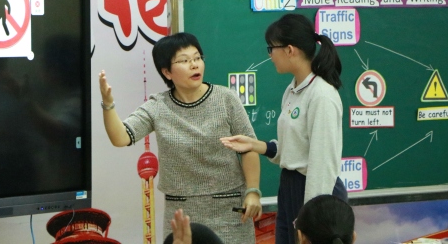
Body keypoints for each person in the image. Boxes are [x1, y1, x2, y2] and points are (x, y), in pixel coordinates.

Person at [99, 32, 262, 243]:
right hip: (180, 211)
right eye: (184, 61)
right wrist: (108, 105)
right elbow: (121, 137)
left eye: (197, 58)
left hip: (229, 208)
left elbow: (249, 147)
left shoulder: (226, 99)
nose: (194, 65)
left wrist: (253, 191)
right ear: (167, 72)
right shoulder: (158, 106)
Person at [220, 13, 347, 244]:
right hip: (289, 187)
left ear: (290, 50)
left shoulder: (321, 95)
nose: (270, 56)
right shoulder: (292, 89)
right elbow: (294, 149)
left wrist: (311, 219)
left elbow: (322, 165)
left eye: (271, 48)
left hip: (315, 194)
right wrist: (255, 145)